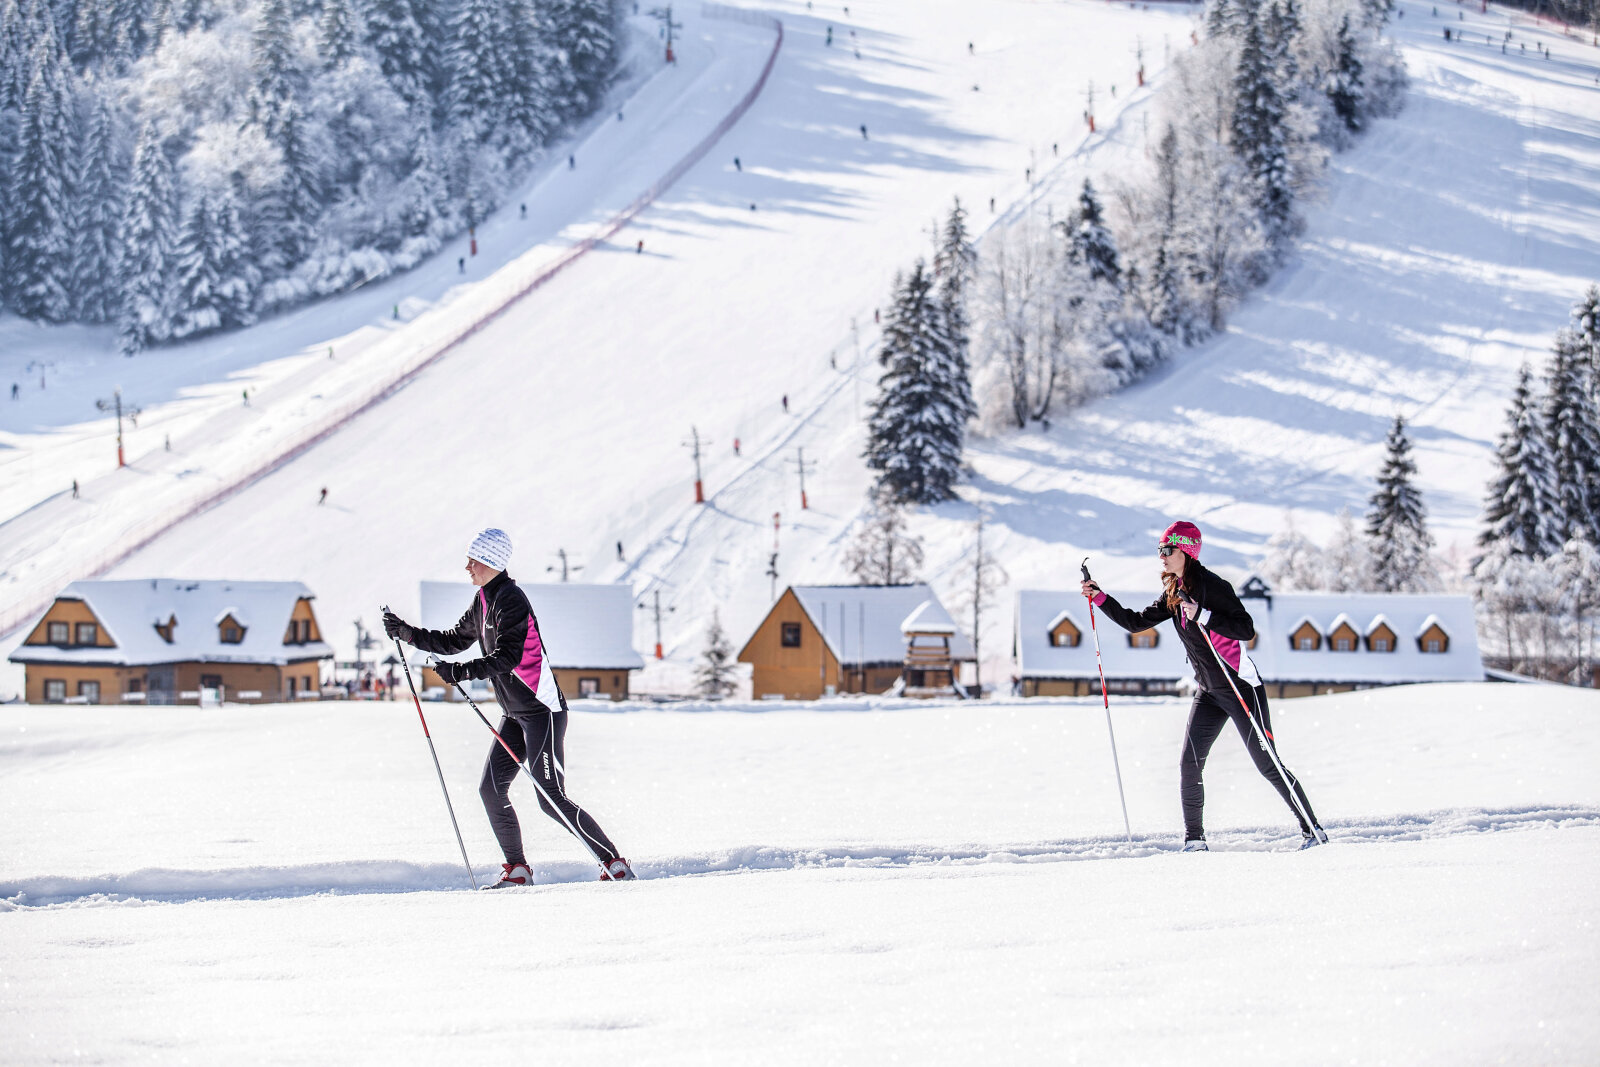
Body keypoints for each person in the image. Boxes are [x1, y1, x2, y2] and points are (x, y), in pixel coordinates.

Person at [384, 529, 636, 886]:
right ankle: (517, 870)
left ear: (490, 561)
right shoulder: (483, 600)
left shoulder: (511, 600)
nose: (467, 566)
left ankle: (615, 864)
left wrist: (462, 672)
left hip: (541, 712)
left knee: (550, 799)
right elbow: (454, 641)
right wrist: (407, 633)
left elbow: (509, 657)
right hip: (514, 714)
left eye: (473, 559)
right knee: (491, 789)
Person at [1080, 521, 1327, 852]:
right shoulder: (1174, 593)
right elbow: (1136, 622)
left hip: (1239, 687)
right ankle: (1194, 840)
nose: (1162, 557)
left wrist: (1205, 616)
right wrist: (1099, 598)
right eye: (1159, 550)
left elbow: (1245, 629)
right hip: (1209, 691)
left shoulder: (1214, 587)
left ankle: (1313, 830)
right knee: (1189, 763)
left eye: (1167, 550)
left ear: (1186, 551)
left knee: (1267, 764)